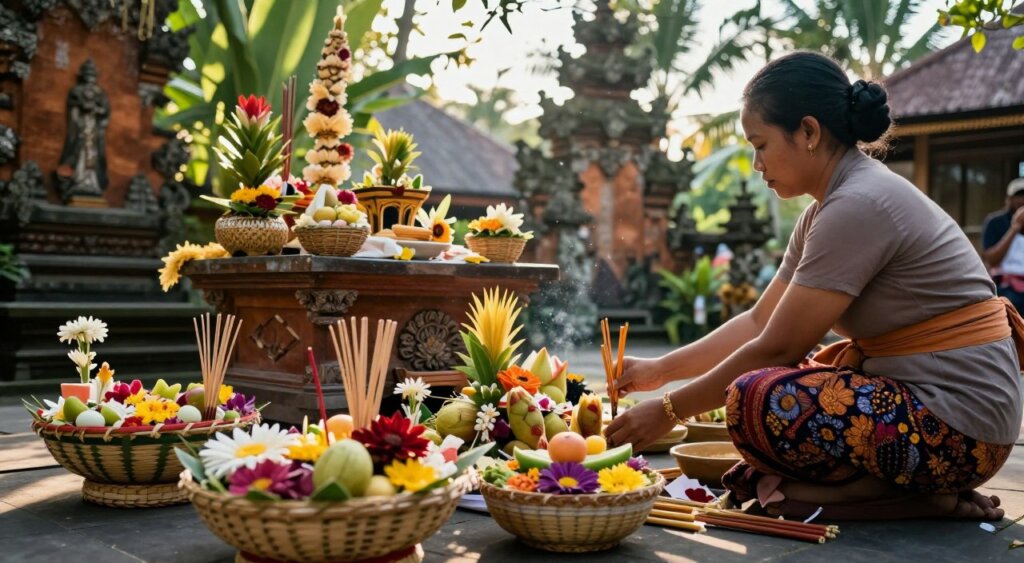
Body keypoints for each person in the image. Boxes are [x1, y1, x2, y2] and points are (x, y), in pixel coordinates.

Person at [605, 51, 1023, 521]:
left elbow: (776, 348)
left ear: (808, 131)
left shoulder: (859, 203)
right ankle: (889, 493)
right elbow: (760, 320)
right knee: (763, 400)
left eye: (761, 145)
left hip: (963, 432)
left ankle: (916, 495)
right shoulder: (826, 209)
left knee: (758, 398)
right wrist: (661, 370)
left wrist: (666, 411)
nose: (757, 163)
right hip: (930, 412)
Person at [982, 178, 1024, 312]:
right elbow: (991, 260)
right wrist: (1015, 228)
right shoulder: (995, 222)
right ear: (1009, 198)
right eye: (1018, 195)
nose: (1022, 200)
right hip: (1006, 285)